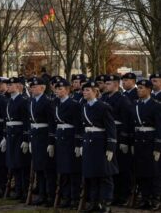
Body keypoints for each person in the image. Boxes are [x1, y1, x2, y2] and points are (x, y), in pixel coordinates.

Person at [80, 81, 118, 213]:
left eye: (88, 90)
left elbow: (111, 128)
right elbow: (82, 128)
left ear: (95, 91)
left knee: (105, 175)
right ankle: (94, 202)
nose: (85, 93)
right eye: (83, 90)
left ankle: (106, 202)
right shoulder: (84, 107)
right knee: (92, 174)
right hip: (88, 143)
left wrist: (111, 147)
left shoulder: (103, 107)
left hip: (101, 144)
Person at [102, 75, 134, 206]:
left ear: (116, 84)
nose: (105, 86)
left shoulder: (123, 99)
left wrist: (125, 140)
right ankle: (112, 194)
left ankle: (123, 195)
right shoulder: (104, 98)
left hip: (119, 135)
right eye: (105, 83)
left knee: (122, 167)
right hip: (107, 135)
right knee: (110, 168)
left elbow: (127, 121)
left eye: (108, 83)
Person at [52, 79, 81, 209]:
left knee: (72, 170)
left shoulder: (73, 104)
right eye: (57, 89)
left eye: (61, 89)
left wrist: (77, 143)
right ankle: (65, 197)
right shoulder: (56, 103)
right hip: (60, 137)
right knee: (63, 169)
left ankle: (74, 198)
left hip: (70, 137)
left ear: (68, 90)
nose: (58, 91)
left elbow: (77, 125)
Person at [132, 79, 161, 210]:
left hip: (150, 141)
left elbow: (159, 128)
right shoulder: (136, 104)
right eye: (138, 88)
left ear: (149, 90)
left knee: (154, 172)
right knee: (142, 171)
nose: (139, 90)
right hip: (139, 140)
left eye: (142, 88)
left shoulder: (156, 105)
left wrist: (158, 146)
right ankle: (145, 198)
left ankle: (156, 199)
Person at [28, 77, 56, 207]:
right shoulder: (32, 101)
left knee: (47, 169)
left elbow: (52, 123)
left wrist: (51, 141)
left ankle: (50, 196)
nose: (32, 89)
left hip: (44, 137)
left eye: (35, 87)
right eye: (31, 87)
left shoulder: (47, 102)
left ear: (43, 88)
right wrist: (29, 139)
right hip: (35, 136)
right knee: (38, 168)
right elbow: (31, 122)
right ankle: (41, 194)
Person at [5, 77, 30, 202]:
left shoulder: (23, 101)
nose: (8, 86)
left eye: (11, 85)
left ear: (18, 86)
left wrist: (26, 138)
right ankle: (18, 190)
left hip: (19, 134)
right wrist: (5, 137)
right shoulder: (9, 101)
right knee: (14, 164)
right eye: (8, 85)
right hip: (11, 134)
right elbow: (7, 120)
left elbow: (26, 121)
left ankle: (24, 191)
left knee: (21, 164)